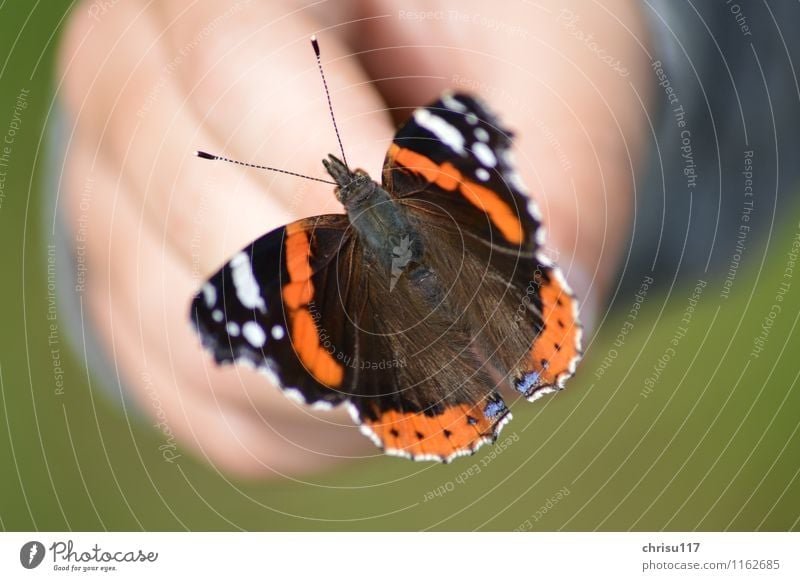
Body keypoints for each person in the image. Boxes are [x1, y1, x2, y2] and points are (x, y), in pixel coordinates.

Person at [54, 0, 798, 477]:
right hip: (465, 258)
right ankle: (501, 371)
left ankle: (471, 394)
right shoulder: (422, 159)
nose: (347, 184)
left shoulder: (310, 248)